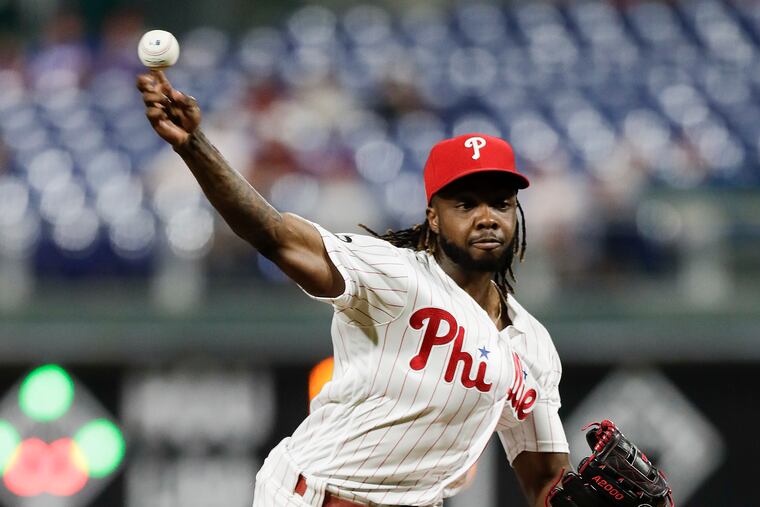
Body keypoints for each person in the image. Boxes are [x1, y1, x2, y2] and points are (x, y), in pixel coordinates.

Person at [137, 70, 572, 507]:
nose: (486, 217)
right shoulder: (392, 272)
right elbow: (275, 235)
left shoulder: (532, 345)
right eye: (466, 203)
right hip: (315, 495)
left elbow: (545, 480)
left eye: (501, 203)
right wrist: (195, 146)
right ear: (434, 217)